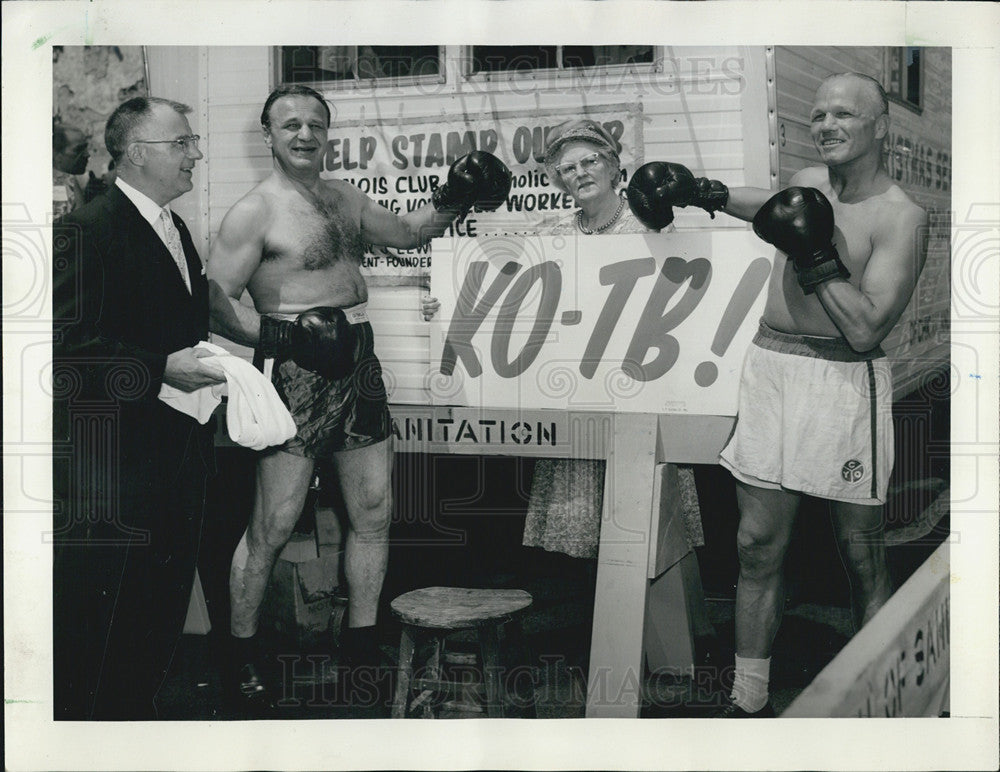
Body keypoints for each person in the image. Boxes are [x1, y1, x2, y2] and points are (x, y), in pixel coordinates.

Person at [628, 72, 928, 717]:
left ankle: (881, 696)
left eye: (843, 114)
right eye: (818, 113)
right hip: (771, 369)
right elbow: (767, 205)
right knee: (756, 545)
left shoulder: (902, 217)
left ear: (880, 126)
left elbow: (867, 325)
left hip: (842, 383)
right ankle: (749, 697)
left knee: (861, 551)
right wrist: (698, 191)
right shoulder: (810, 186)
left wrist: (816, 255)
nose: (825, 125)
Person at [207, 84, 511, 711]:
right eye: (290, 124)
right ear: (268, 134)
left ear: (328, 133)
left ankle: (362, 644)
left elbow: (406, 233)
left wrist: (454, 197)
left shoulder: (342, 195)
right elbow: (213, 301)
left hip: (358, 362)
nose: (304, 134)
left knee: (373, 509)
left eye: (316, 124)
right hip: (293, 368)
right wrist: (282, 334)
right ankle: (238, 655)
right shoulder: (254, 211)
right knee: (273, 523)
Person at [422, 118, 705, 594]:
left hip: (640, 391)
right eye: (566, 167)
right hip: (577, 394)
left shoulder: (654, 225)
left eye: (590, 160)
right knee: (593, 528)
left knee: (650, 519)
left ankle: (666, 639)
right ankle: (604, 638)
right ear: (556, 179)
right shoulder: (548, 231)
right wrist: (447, 304)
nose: (579, 173)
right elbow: (509, 297)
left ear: (615, 166)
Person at [52, 97, 225, 719]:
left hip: (175, 457)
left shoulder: (175, 229)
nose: (195, 154)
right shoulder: (85, 229)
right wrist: (160, 368)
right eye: (182, 143)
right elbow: (67, 348)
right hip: (113, 470)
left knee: (158, 610)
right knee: (98, 624)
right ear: (136, 153)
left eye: (193, 141)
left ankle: (134, 725)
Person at [53, 122, 90, 218]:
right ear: (57, 155)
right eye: (78, 149)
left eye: (85, 148)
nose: (87, 154)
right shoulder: (61, 185)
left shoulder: (71, 180)